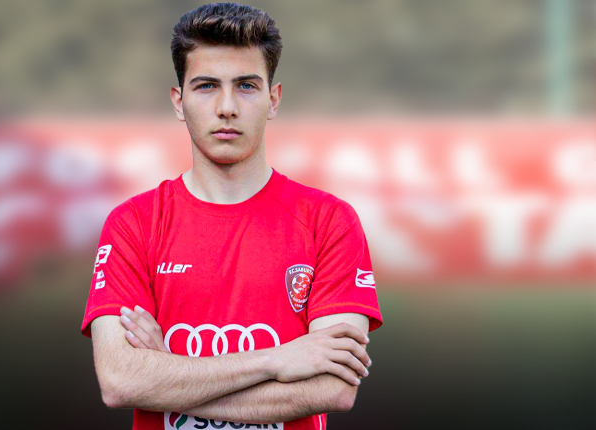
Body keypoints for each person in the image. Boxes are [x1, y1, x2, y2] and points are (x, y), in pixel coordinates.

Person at [81, 3, 382, 429]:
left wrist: (168, 374)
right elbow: (120, 381)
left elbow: (332, 389)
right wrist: (279, 359)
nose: (226, 107)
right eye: (206, 86)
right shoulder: (134, 223)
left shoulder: (329, 220)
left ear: (273, 100)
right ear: (179, 101)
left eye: (246, 86)